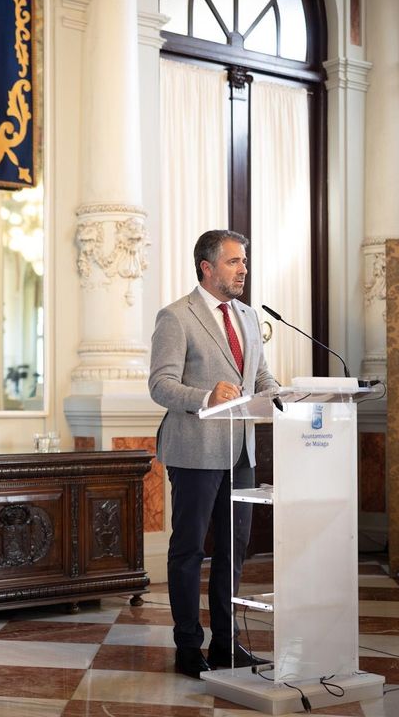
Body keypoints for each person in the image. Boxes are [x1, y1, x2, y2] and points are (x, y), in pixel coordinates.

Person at [148, 229, 278, 679]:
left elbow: (261, 378)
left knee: (233, 550)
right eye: (233, 262)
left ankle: (226, 644)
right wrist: (207, 396)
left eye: (244, 262)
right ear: (207, 266)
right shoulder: (176, 317)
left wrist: (288, 397)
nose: (243, 269)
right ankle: (188, 646)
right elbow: (160, 385)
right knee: (188, 550)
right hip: (193, 450)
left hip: (240, 451)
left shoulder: (248, 316)